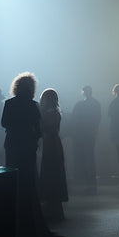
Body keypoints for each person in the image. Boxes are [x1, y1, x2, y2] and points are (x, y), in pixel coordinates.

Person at [1, 72, 60, 237]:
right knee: (28, 186)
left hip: (12, 148)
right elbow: (38, 130)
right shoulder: (33, 106)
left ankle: (14, 227)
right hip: (27, 149)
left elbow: (4, 123)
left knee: (14, 184)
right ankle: (30, 226)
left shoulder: (9, 104)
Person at [38, 88, 68, 223]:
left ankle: (52, 208)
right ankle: (55, 208)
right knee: (54, 173)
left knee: (50, 173)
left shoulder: (50, 113)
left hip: (51, 144)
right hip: (54, 144)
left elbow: (47, 128)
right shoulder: (55, 112)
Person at [71, 85, 101, 194]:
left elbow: (74, 118)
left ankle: (87, 183)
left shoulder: (80, 105)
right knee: (90, 159)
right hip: (90, 135)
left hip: (81, 135)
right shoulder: (96, 104)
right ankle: (92, 184)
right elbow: (98, 119)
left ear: (83, 92)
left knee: (85, 159)